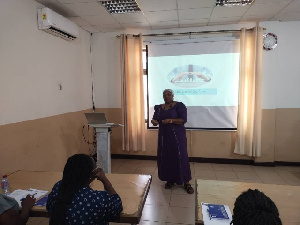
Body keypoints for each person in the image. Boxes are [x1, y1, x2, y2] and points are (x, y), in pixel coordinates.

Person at [46, 154, 123, 225]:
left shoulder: (58, 187)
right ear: (91, 175)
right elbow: (117, 206)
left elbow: (49, 207)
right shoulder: (97, 199)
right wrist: (105, 180)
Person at [151, 89, 194, 194]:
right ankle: (170, 180)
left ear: (173, 95)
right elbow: (154, 119)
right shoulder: (159, 108)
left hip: (177, 136)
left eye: (169, 94)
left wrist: (170, 120)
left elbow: (183, 120)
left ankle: (186, 182)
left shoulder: (179, 106)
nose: (166, 96)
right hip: (164, 137)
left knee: (181, 157)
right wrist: (154, 121)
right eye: (164, 95)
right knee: (167, 158)